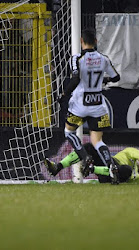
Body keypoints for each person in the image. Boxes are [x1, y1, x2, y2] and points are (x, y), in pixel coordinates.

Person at [53, 29, 121, 184]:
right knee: (97, 141)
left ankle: (85, 157)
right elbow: (116, 77)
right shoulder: (104, 59)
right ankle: (110, 166)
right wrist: (103, 81)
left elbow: (76, 79)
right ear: (96, 41)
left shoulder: (77, 58)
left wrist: (63, 95)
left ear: (81, 41)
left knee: (69, 132)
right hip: (98, 105)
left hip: (80, 105)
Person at [44, 143, 139, 184]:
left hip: (109, 178)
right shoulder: (129, 153)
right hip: (108, 165)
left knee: (125, 171)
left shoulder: (136, 177)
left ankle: (91, 168)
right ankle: (57, 167)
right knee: (89, 147)